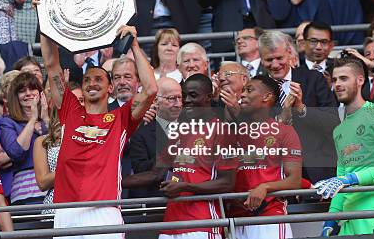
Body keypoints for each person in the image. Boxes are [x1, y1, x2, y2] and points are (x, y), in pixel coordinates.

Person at [40, 15, 157, 237]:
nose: (92, 83)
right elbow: (51, 64)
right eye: (87, 80)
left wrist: (134, 44)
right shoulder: (70, 110)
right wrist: (45, 17)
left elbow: (150, 89)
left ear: (110, 88)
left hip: (104, 208)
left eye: (99, 79)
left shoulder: (121, 118)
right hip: (65, 210)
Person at [124, 74, 237, 239]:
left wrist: (185, 187)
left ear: (209, 97)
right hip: (171, 225)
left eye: (193, 95)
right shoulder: (180, 131)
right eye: (184, 95)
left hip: (203, 223)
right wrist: (114, 182)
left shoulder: (223, 131)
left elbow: (228, 182)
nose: (187, 100)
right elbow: (155, 173)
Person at [314, 57, 374, 236]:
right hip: (348, 220)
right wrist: (330, 220)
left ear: (360, 80)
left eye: (344, 78)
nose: (337, 84)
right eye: (335, 79)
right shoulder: (339, 129)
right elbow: (340, 179)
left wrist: (350, 179)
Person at [259, 31, 338, 183]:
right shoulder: (256, 87)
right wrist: (281, 118)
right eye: (269, 59)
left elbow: (333, 121)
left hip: (317, 169)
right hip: (275, 172)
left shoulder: (313, 79)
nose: (275, 65)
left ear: (289, 53)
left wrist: (301, 109)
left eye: (279, 58)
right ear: (261, 60)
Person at [229, 75, 302, 239]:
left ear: (267, 96)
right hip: (236, 219)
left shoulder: (285, 132)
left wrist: (264, 187)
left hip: (270, 218)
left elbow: (295, 181)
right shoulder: (231, 133)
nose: (242, 95)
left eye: (249, 90)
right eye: (242, 91)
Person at [0, 71, 48, 204]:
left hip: (53, 189)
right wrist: (33, 118)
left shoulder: (51, 118)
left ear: (40, 92)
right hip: (25, 194)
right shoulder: (8, 122)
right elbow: (15, 152)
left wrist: (45, 118)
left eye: (33, 88)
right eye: (22, 91)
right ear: (15, 97)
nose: (28, 93)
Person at [129, 77, 181, 198]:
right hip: (158, 200)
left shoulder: (194, 127)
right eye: (172, 98)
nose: (178, 104)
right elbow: (140, 170)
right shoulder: (141, 133)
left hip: (191, 198)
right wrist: (167, 154)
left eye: (180, 97)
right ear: (156, 101)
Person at [32, 106, 61, 214]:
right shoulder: (43, 141)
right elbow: (42, 182)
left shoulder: (95, 135)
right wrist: (73, 167)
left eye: (81, 100)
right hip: (55, 208)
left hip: (88, 203)